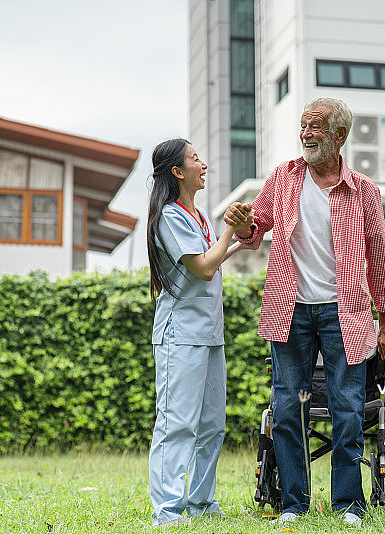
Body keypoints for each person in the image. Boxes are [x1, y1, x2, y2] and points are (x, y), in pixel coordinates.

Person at [224, 98, 385, 526]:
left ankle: (348, 504)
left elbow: (379, 257)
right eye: (304, 126)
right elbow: (255, 229)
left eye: (317, 127)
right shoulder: (284, 178)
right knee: (287, 407)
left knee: (347, 408)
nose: (306, 133)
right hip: (291, 308)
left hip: (347, 312)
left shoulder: (364, 191)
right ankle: (293, 503)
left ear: (340, 136)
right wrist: (241, 221)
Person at [147, 138, 252, 527]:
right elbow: (205, 268)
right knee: (177, 424)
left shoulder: (199, 217)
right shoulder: (170, 217)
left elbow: (213, 257)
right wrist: (230, 231)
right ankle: (169, 512)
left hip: (210, 335)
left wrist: (239, 238)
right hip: (181, 336)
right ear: (177, 171)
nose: (202, 164)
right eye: (195, 160)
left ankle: (201, 504)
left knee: (211, 426)